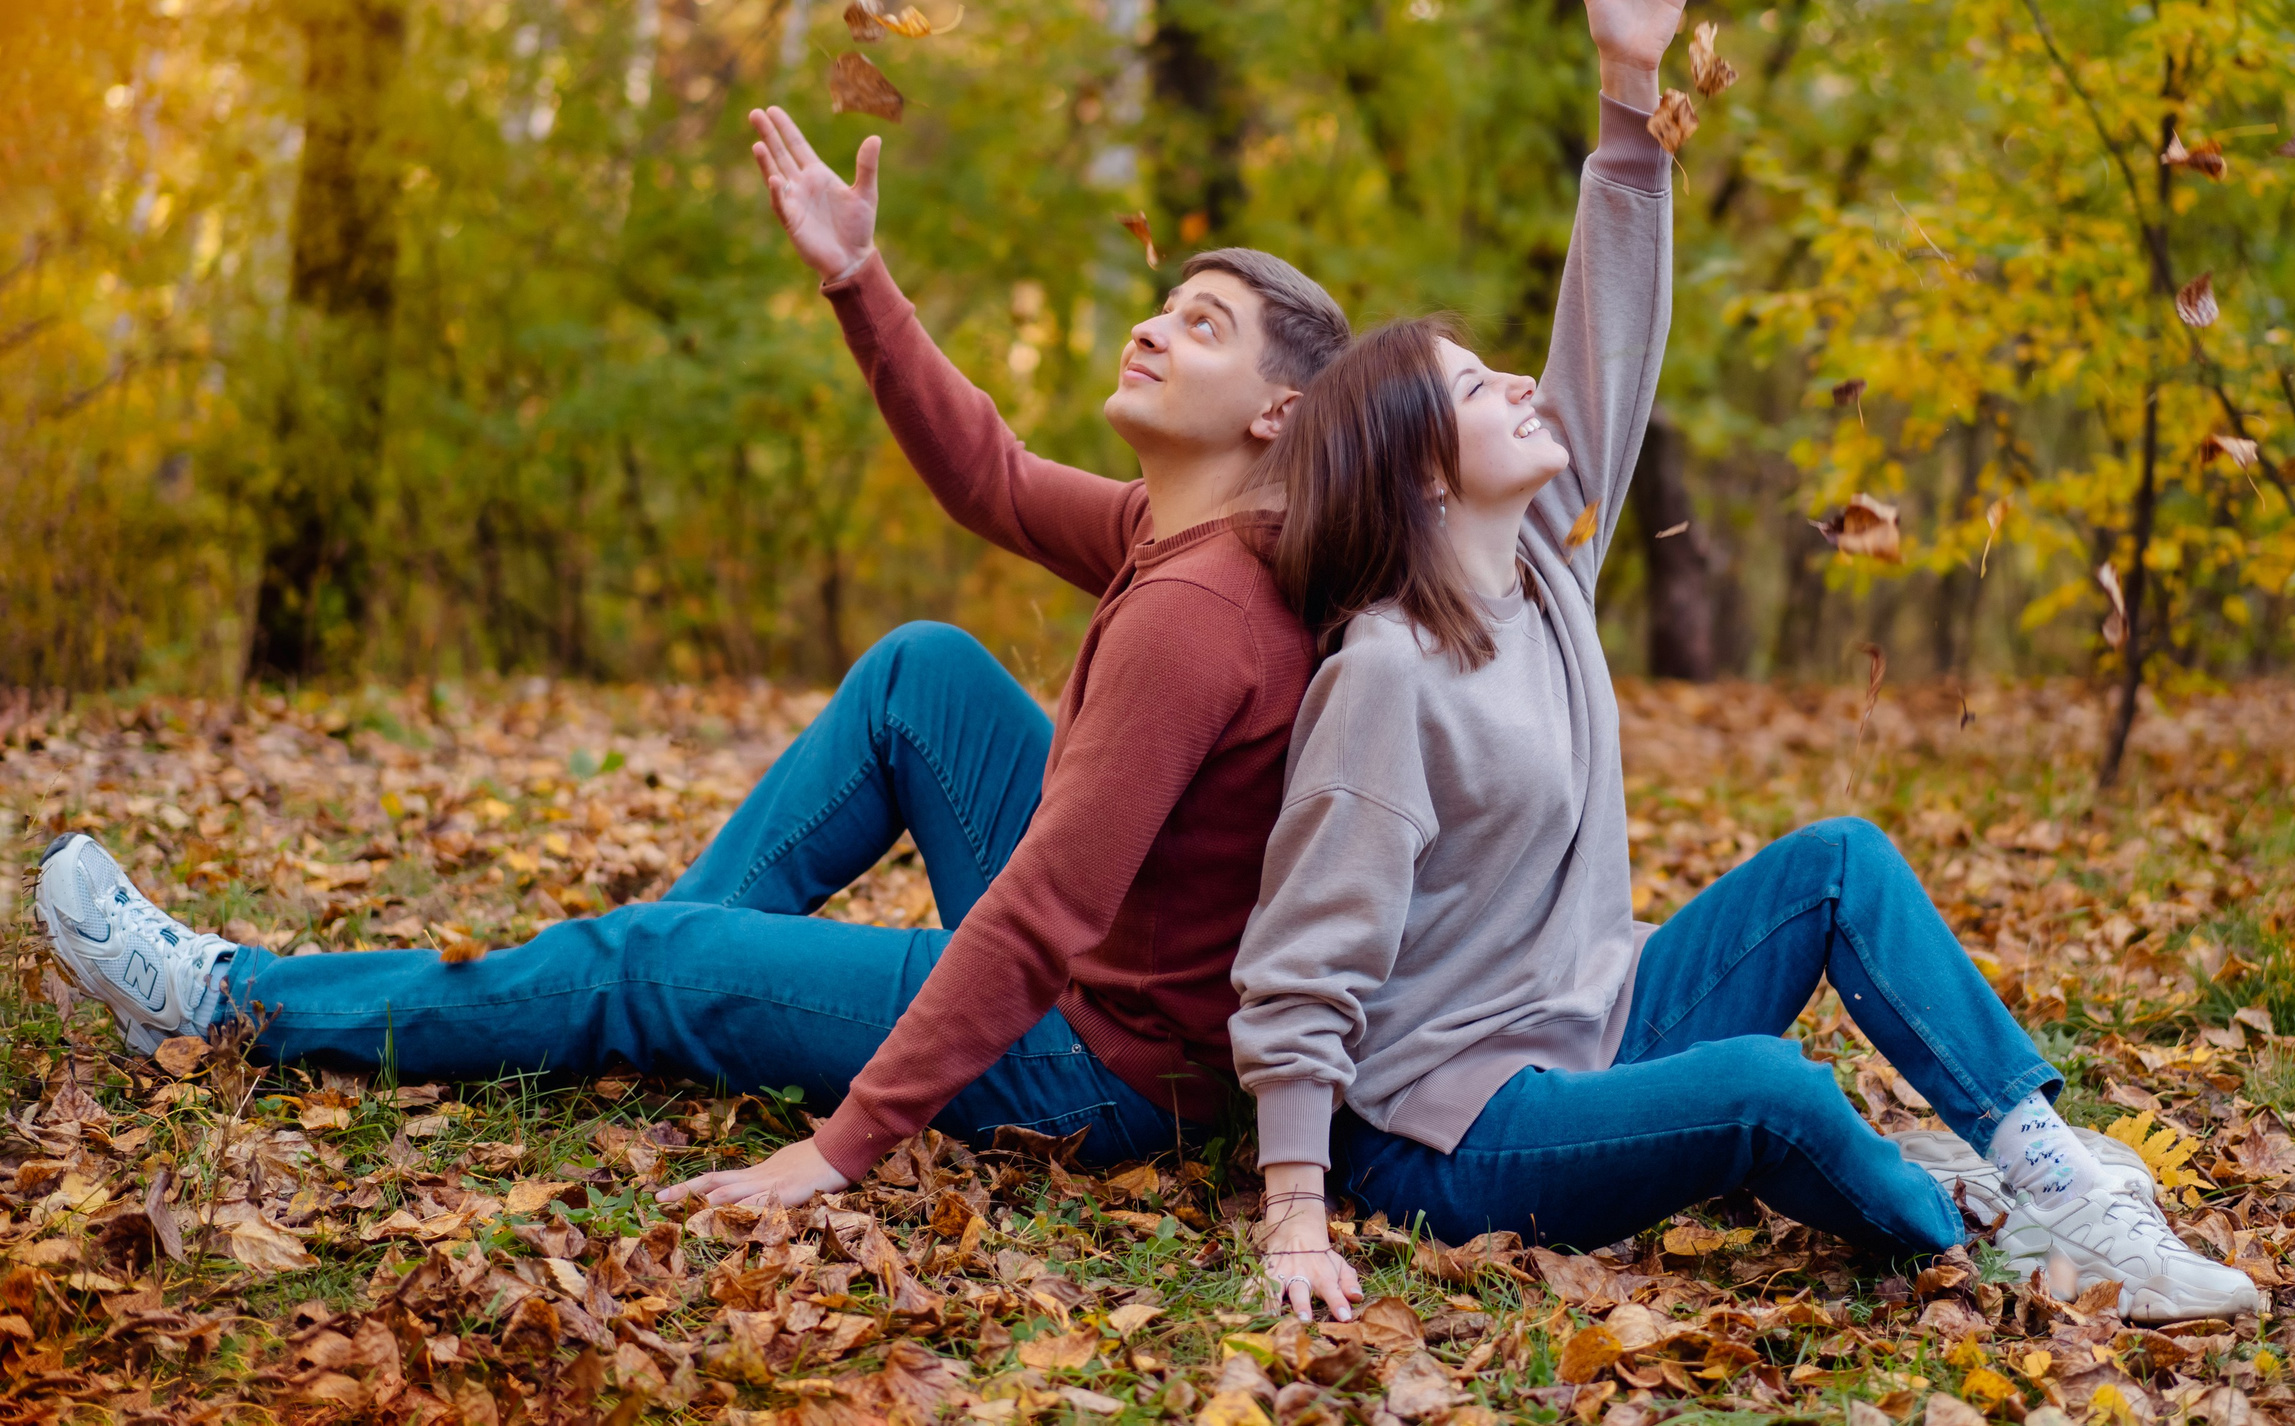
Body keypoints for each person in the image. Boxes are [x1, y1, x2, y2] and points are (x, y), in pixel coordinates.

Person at [1229, 0, 2260, 1327]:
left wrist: (1628, 88)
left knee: (1837, 860)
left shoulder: (1542, 572)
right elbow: (1303, 959)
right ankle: (1986, 1235)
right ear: (1417, 472)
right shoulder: (1387, 670)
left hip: (1594, 1030)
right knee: (1774, 1091)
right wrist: (1294, 1208)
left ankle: (2049, 1169)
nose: (1521, 385)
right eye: (1474, 386)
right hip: (1449, 1132)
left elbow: (1606, 349)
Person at [34, 101, 1350, 1208]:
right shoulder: (1181, 531)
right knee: (921, 674)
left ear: (1278, 415)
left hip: (1094, 1065)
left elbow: (1039, 918)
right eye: (1165, 306)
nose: (1152, 329)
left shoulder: (1199, 613)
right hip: (1113, 988)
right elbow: (990, 478)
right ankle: (638, 986)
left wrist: (841, 1150)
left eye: (1203, 327)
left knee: (646, 964)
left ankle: (222, 999)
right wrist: (859, 278)